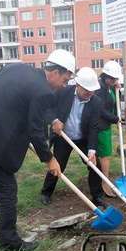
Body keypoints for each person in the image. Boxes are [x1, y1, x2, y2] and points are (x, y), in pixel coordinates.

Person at [0, 49, 75, 251]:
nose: (64, 85)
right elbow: (36, 131)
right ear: (55, 71)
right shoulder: (43, 91)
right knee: (7, 191)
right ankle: (9, 243)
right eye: (65, 79)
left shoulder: (16, 67)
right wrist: (50, 159)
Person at [41, 67, 106, 206]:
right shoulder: (63, 92)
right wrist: (54, 120)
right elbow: (48, 108)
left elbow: (94, 127)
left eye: (92, 90)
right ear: (78, 85)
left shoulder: (96, 102)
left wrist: (92, 150)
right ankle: (46, 192)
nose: (90, 93)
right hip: (64, 137)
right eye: (86, 90)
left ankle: (97, 196)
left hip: (83, 138)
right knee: (58, 164)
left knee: (95, 166)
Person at [95, 61, 122, 197]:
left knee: (105, 155)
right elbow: (100, 110)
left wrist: (118, 89)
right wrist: (115, 119)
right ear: (105, 76)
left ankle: (102, 178)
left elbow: (115, 102)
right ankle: (104, 183)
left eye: (115, 79)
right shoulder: (99, 88)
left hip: (106, 125)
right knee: (105, 155)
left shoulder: (108, 87)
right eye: (112, 78)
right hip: (99, 126)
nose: (114, 81)